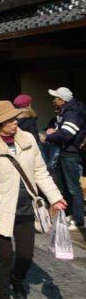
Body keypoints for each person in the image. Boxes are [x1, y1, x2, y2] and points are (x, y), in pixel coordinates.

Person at [0, 101, 66, 299]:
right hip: (0, 210)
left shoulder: (27, 139)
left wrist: (55, 197)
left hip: (26, 207)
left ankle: (17, 278)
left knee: (25, 255)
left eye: (15, 119)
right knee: (4, 258)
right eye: (10, 120)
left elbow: (40, 171)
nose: (15, 123)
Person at [44, 86, 86, 230]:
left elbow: (67, 133)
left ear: (62, 100)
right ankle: (68, 214)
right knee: (63, 186)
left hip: (71, 154)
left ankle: (78, 220)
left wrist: (49, 136)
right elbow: (57, 128)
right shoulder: (64, 111)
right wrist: (52, 130)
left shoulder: (73, 112)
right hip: (64, 152)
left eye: (55, 98)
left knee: (74, 188)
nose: (53, 100)